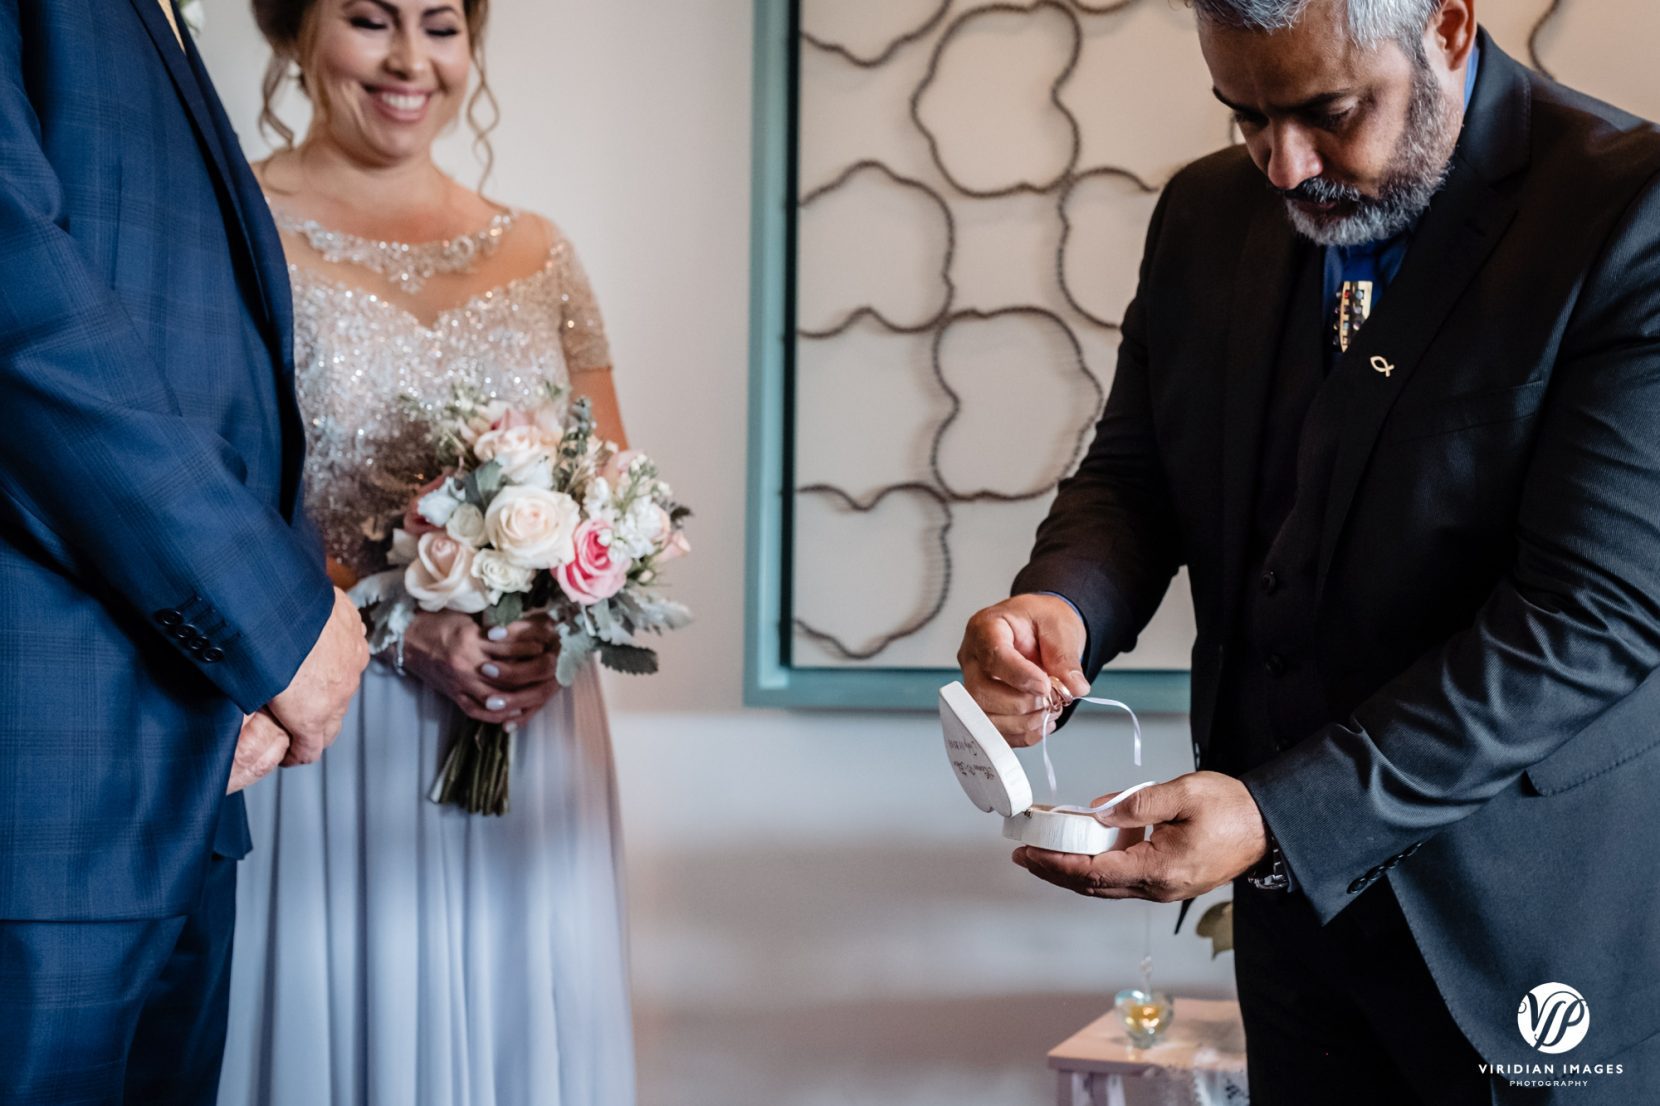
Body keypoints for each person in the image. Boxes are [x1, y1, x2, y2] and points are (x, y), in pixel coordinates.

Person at [957, 0, 1660, 1100]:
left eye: (1328, 111)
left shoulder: (1627, 209)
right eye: (1243, 116)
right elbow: (1137, 470)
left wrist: (1283, 812)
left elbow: (1592, 616)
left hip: (1531, 934)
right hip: (1295, 943)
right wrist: (1063, 603)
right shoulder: (1201, 213)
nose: (1281, 166)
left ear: (1450, 27)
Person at [217, 2, 635, 1102]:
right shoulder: (231, 227)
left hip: (523, 730)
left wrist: (563, 611)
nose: (411, 60)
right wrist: (406, 627)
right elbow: (211, 498)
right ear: (294, 31)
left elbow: (618, 492)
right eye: (369, 19)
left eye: (441, 25)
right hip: (322, 719)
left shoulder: (541, 251)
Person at [0, 0, 369, 1102]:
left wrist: (249, 659)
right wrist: (275, 623)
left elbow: (215, 380)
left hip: (183, 767)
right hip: (42, 789)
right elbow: (26, 319)